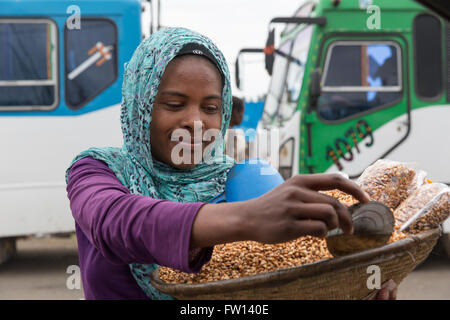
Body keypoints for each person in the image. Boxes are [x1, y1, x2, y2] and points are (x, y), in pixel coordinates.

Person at [65, 27, 397, 300]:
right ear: (141, 107)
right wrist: (248, 218)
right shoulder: (97, 171)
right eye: (174, 104)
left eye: (210, 109)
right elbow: (115, 224)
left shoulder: (245, 181)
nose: (195, 122)